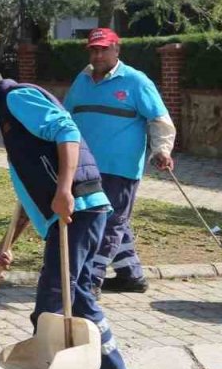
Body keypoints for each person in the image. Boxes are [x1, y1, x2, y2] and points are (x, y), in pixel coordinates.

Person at [0, 64, 142, 369]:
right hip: (77, 215)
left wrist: (64, 190)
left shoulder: (16, 98)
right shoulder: (11, 120)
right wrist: (8, 241)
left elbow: (67, 132)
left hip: (77, 213)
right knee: (81, 304)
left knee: (49, 308)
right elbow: (31, 192)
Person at [64, 28, 175, 297]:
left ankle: (91, 280)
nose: (98, 54)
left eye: (104, 49)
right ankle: (131, 275)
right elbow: (66, 116)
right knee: (109, 220)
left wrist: (161, 150)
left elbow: (159, 121)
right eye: (93, 49)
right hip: (86, 167)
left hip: (120, 169)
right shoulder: (82, 80)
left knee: (108, 223)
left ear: (117, 49)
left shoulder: (136, 81)